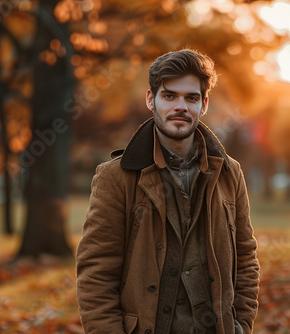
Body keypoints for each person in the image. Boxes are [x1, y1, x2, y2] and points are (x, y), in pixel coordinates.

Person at [76, 49, 260, 334]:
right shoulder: (115, 178)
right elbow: (96, 274)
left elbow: (246, 259)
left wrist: (241, 326)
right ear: (151, 100)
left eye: (191, 98)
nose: (181, 107)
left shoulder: (229, 173)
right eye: (169, 96)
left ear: (204, 103)